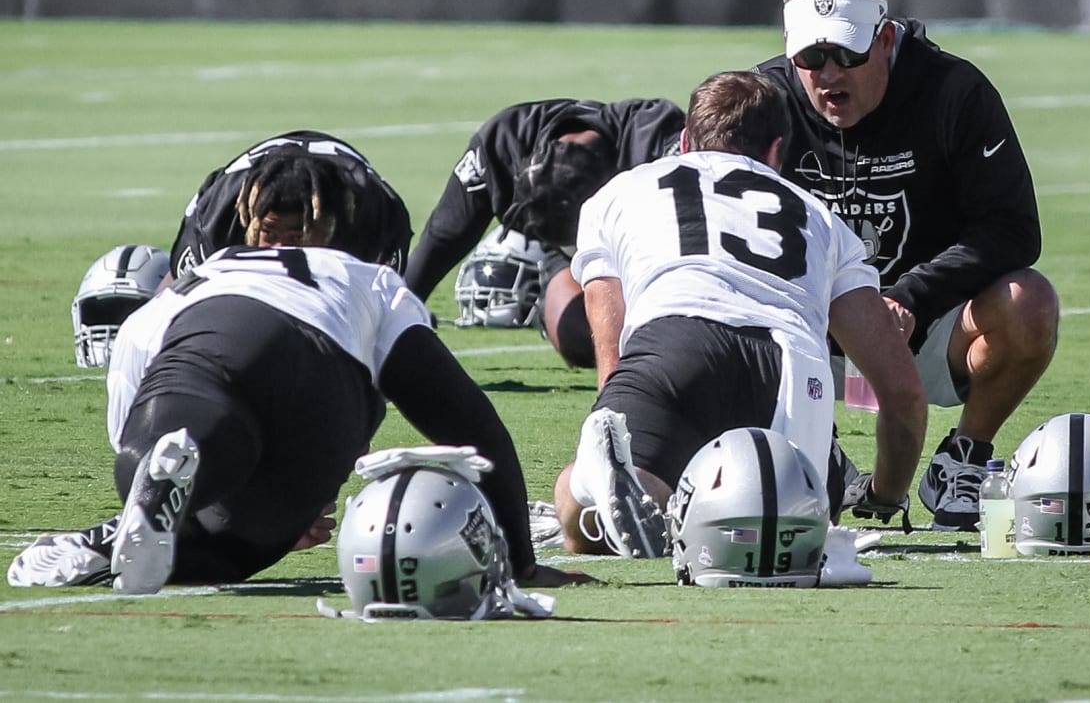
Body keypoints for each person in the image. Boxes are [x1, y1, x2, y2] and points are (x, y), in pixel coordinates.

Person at [9, 242, 585, 593]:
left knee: (178, 460)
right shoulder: (372, 280)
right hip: (320, 374)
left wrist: (144, 481)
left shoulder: (194, 276)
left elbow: (135, 369)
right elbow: (472, 426)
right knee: (243, 543)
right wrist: (522, 561)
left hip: (205, 333)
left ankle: (134, 516)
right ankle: (163, 521)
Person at [552, 71, 928, 557]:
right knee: (785, 531)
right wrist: (886, 494)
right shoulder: (821, 217)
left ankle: (614, 487)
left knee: (580, 509)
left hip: (675, 338)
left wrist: (622, 414)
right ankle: (756, 503)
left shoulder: (623, 191)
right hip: (792, 366)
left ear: (685, 141)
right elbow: (903, 392)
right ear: (776, 152)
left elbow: (609, 319)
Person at [752, 0, 1060, 531]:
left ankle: (965, 455)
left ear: (887, 39)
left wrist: (911, 297)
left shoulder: (953, 92)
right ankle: (818, 454)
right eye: (811, 56)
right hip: (807, 327)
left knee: (1030, 302)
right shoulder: (763, 101)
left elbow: (1014, 227)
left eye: (848, 51)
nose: (830, 71)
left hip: (928, 318)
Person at [403, 97, 684, 367]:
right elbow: (442, 238)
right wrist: (399, 320)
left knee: (656, 335)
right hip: (572, 251)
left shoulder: (658, 146)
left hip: (654, 249)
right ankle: (547, 298)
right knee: (582, 337)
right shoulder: (503, 143)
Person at [168, 129, 413, 280]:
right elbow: (178, 307)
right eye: (269, 233)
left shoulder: (375, 220)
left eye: (296, 237)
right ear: (251, 222)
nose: (280, 250)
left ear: (326, 226)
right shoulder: (216, 220)